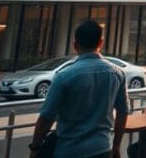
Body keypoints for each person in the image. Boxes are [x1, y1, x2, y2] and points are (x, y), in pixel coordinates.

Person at [29, 19, 129, 158]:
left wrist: (35, 147)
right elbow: (123, 111)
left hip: (69, 150)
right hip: (103, 148)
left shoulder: (64, 75)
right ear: (101, 43)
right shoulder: (117, 73)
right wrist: (116, 146)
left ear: (75, 45)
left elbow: (46, 117)